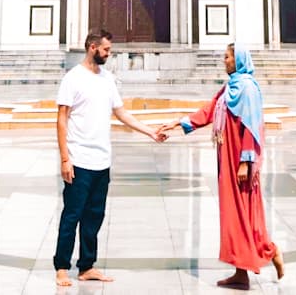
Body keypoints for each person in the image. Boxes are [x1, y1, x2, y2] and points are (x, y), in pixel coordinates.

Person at [170, 44, 283, 289]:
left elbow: (251, 126)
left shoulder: (248, 89)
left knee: (241, 212)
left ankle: (263, 254)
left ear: (239, 59)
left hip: (240, 161)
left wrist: (245, 162)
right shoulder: (230, 87)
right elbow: (210, 110)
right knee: (236, 214)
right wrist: (179, 124)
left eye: (228, 57)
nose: (225, 61)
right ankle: (253, 261)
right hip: (227, 157)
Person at [54, 29, 158, 286]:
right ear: (92, 47)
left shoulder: (107, 79)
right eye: (106, 50)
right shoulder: (72, 79)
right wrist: (65, 159)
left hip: (102, 161)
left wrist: (150, 131)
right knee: (72, 214)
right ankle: (61, 267)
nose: (109, 55)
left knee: (95, 215)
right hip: (79, 160)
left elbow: (122, 113)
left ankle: (87, 266)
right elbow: (61, 119)